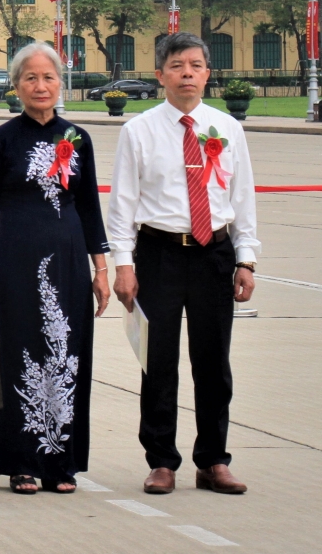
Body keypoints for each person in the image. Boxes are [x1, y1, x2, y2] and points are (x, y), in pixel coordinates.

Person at [108, 32, 258, 496]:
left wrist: (246, 258)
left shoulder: (227, 129)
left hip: (215, 254)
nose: (187, 74)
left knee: (213, 362)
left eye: (195, 65)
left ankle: (213, 460)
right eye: (177, 66)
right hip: (160, 253)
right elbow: (122, 203)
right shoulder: (139, 130)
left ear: (208, 74)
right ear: (160, 75)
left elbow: (242, 197)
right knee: (158, 362)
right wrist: (123, 264)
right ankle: (161, 461)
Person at [0, 42, 109, 495]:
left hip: (69, 260)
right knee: (19, 352)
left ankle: (61, 463)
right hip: (15, 260)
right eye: (31, 78)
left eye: (48, 77)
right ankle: (21, 462)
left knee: (67, 353)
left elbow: (90, 208)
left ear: (60, 83)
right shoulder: (3, 139)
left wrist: (101, 269)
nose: (40, 86)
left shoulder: (78, 139)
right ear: (16, 85)